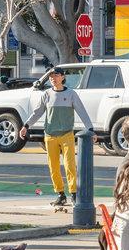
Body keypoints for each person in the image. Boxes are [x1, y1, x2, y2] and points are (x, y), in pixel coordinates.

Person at [20, 67, 93, 208]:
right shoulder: (46, 94)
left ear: (62, 77)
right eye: (51, 76)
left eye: (56, 75)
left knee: (69, 166)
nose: (53, 78)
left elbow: (82, 111)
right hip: (50, 135)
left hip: (67, 135)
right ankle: (60, 194)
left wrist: (90, 129)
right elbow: (37, 112)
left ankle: (73, 194)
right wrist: (26, 125)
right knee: (53, 167)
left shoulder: (71, 94)